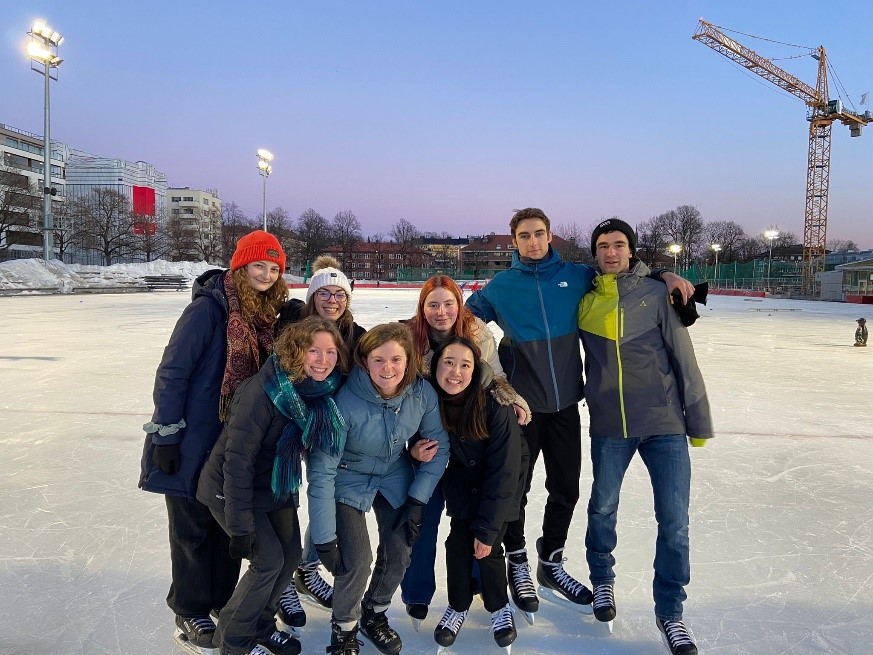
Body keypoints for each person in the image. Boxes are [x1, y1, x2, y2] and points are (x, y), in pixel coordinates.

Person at [465, 208, 694, 619]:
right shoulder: (502, 286)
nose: (532, 242)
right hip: (523, 408)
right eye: (524, 236)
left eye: (539, 234)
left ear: (550, 236)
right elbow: (463, 320)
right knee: (515, 489)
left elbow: (622, 275)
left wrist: (665, 277)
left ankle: (550, 560)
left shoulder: (577, 276)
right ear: (513, 241)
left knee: (566, 490)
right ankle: (517, 558)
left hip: (567, 405)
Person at [139, 230, 289, 652]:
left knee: (225, 532)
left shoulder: (263, 316)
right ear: (240, 265)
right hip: (189, 441)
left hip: (231, 444)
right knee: (191, 531)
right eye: (258, 264)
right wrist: (166, 434)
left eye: (274, 267)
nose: (265, 273)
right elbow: (172, 372)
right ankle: (189, 609)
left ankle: (224, 604)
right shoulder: (208, 310)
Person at [578, 219, 713, 655]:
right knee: (603, 508)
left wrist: (698, 421)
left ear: (631, 251)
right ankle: (602, 581)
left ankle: (670, 611)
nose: (611, 252)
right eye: (603, 246)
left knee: (675, 521)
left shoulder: (656, 294)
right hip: (610, 425)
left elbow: (683, 358)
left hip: (664, 423)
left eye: (619, 245)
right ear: (595, 253)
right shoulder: (584, 298)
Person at [196, 317, 348, 655]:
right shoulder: (262, 392)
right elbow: (236, 462)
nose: (323, 360)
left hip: (275, 485)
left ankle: (261, 625)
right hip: (231, 488)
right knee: (267, 561)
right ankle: (233, 642)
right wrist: (239, 528)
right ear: (296, 352)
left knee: (290, 556)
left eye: (331, 352)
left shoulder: (319, 390)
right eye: (314, 351)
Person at [307, 323, 450, 655]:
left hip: (393, 472)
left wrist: (417, 499)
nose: (388, 369)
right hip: (347, 476)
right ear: (364, 361)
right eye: (378, 360)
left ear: (409, 360)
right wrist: (324, 538)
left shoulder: (420, 393)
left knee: (401, 549)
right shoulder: (343, 403)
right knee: (357, 559)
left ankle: (374, 612)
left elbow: (438, 448)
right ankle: (343, 629)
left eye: (396, 360)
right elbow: (322, 472)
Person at [400, 274, 531, 626]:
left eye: (448, 303)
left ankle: (474, 586)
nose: (441, 312)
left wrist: (512, 400)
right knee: (422, 519)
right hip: (428, 437)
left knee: (471, 518)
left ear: (459, 305)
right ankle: (416, 594)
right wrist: (410, 445)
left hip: (464, 440)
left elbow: (495, 376)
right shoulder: (410, 337)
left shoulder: (476, 332)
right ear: (422, 308)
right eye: (433, 304)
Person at [275, 255, 365, 617]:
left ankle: (305, 569)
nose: (332, 300)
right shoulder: (291, 326)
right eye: (324, 293)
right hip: (285, 424)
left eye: (339, 294)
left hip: (327, 430)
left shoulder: (355, 336)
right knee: (282, 502)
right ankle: (280, 583)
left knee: (323, 498)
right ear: (312, 296)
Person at [428, 337, 525, 653]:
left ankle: (499, 606)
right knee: (457, 544)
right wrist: (416, 450)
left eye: (465, 365)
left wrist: (486, 529)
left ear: (475, 371)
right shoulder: (432, 400)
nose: (455, 372)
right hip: (462, 482)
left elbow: (505, 470)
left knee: (489, 546)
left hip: (501, 482)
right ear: (437, 365)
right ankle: (458, 604)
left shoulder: (494, 405)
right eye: (449, 362)